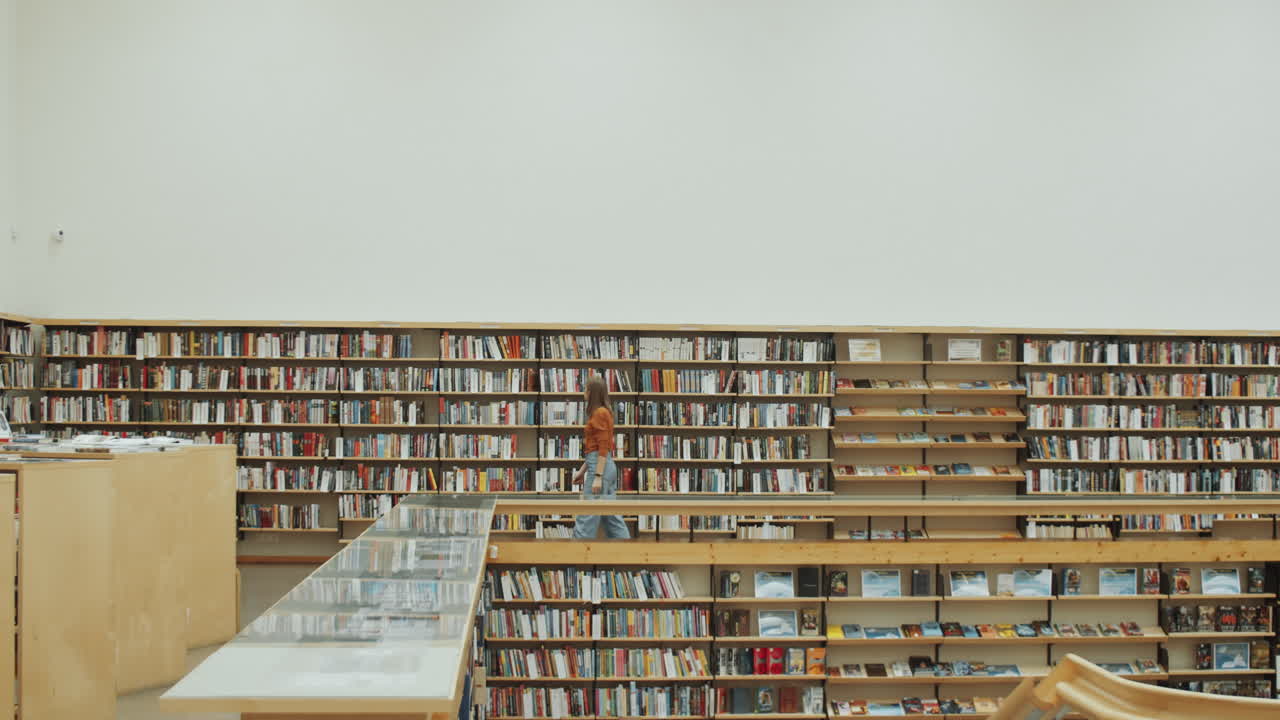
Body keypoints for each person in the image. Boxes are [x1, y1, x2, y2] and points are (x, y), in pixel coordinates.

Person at [571, 375, 630, 539]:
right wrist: (582, 472)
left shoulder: (600, 413)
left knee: (587, 516)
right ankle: (627, 556)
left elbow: (603, 447)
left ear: (592, 393)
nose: (584, 392)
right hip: (600, 465)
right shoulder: (600, 413)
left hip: (600, 469)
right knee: (611, 517)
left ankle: (574, 558)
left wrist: (597, 476)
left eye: (586, 389)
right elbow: (595, 450)